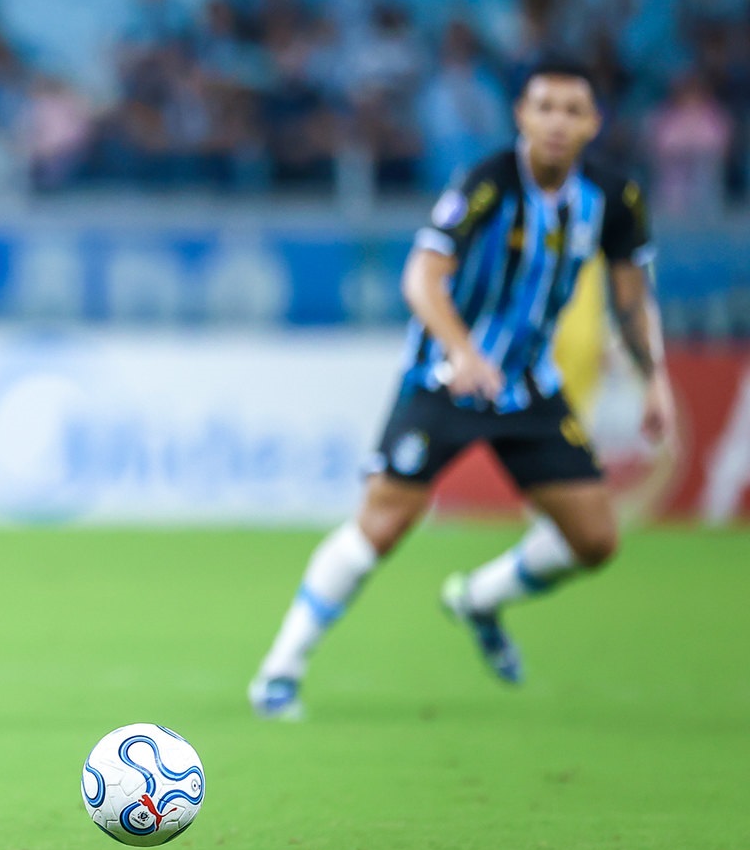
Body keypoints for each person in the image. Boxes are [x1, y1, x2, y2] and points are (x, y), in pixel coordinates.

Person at [248, 65, 674, 720]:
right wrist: (462, 351)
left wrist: (656, 380)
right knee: (383, 523)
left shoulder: (614, 197)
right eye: (544, 107)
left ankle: (479, 598)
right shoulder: (488, 183)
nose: (557, 121)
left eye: (572, 109)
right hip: (443, 379)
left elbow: (631, 297)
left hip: (528, 388)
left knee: (594, 540)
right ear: (520, 116)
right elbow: (422, 278)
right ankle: (280, 670)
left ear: (594, 123)